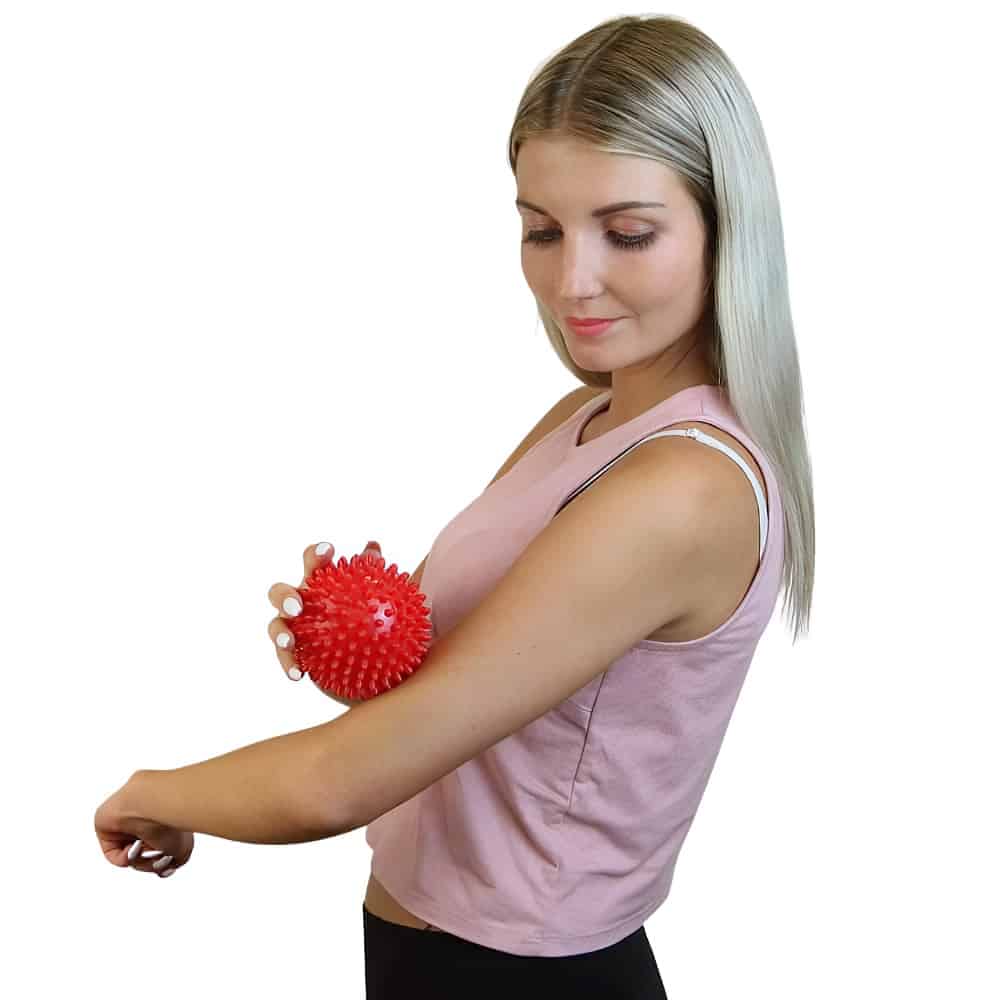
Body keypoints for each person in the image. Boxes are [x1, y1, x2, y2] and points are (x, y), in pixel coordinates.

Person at [105, 13, 814, 1000]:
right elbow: (460, 700)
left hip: (520, 974)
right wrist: (357, 641)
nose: (571, 281)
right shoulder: (586, 418)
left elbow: (337, 784)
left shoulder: (683, 489)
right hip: (440, 949)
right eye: (542, 230)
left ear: (727, 226)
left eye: (627, 233)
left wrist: (156, 795)